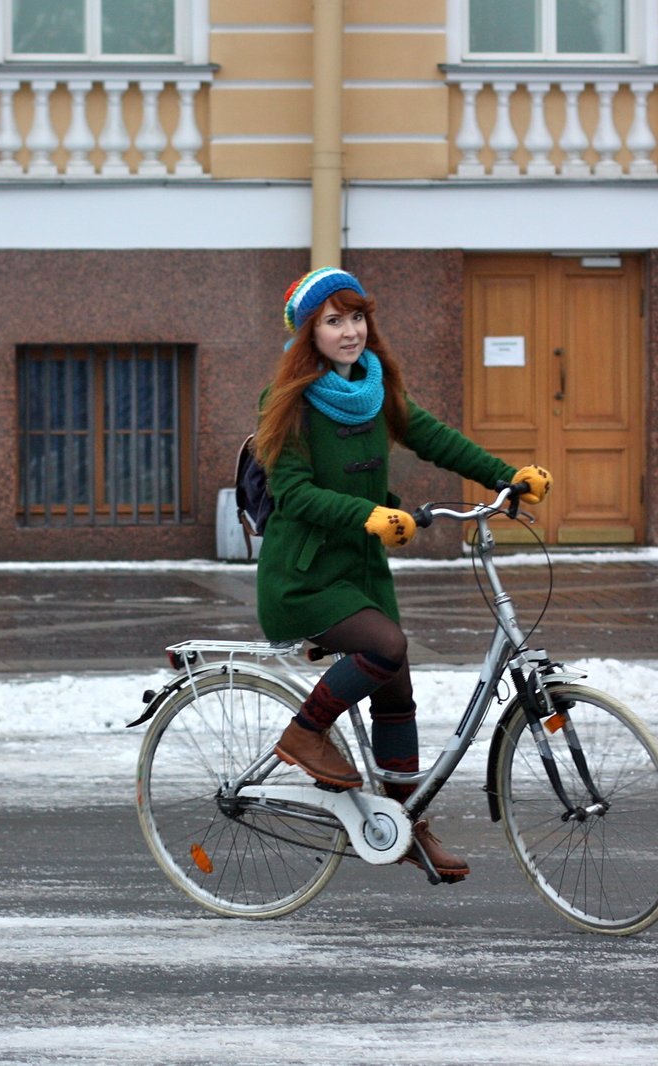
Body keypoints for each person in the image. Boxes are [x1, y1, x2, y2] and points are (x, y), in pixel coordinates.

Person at [254, 267, 551, 883]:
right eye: (333, 321)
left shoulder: (373, 387)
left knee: (396, 685)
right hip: (302, 577)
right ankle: (304, 735)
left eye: (356, 316)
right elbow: (292, 493)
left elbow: (430, 436)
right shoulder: (288, 400)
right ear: (310, 332)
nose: (349, 331)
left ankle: (407, 824)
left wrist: (504, 476)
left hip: (361, 573)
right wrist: (367, 513)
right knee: (386, 647)